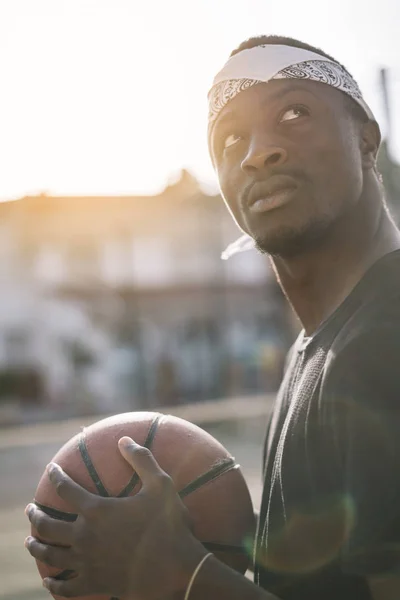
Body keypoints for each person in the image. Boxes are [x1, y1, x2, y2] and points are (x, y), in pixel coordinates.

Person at [25, 35, 400, 600]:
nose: (256, 152)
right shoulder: (318, 348)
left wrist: (181, 574)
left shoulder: (385, 337)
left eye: (294, 112)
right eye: (230, 139)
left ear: (367, 139)